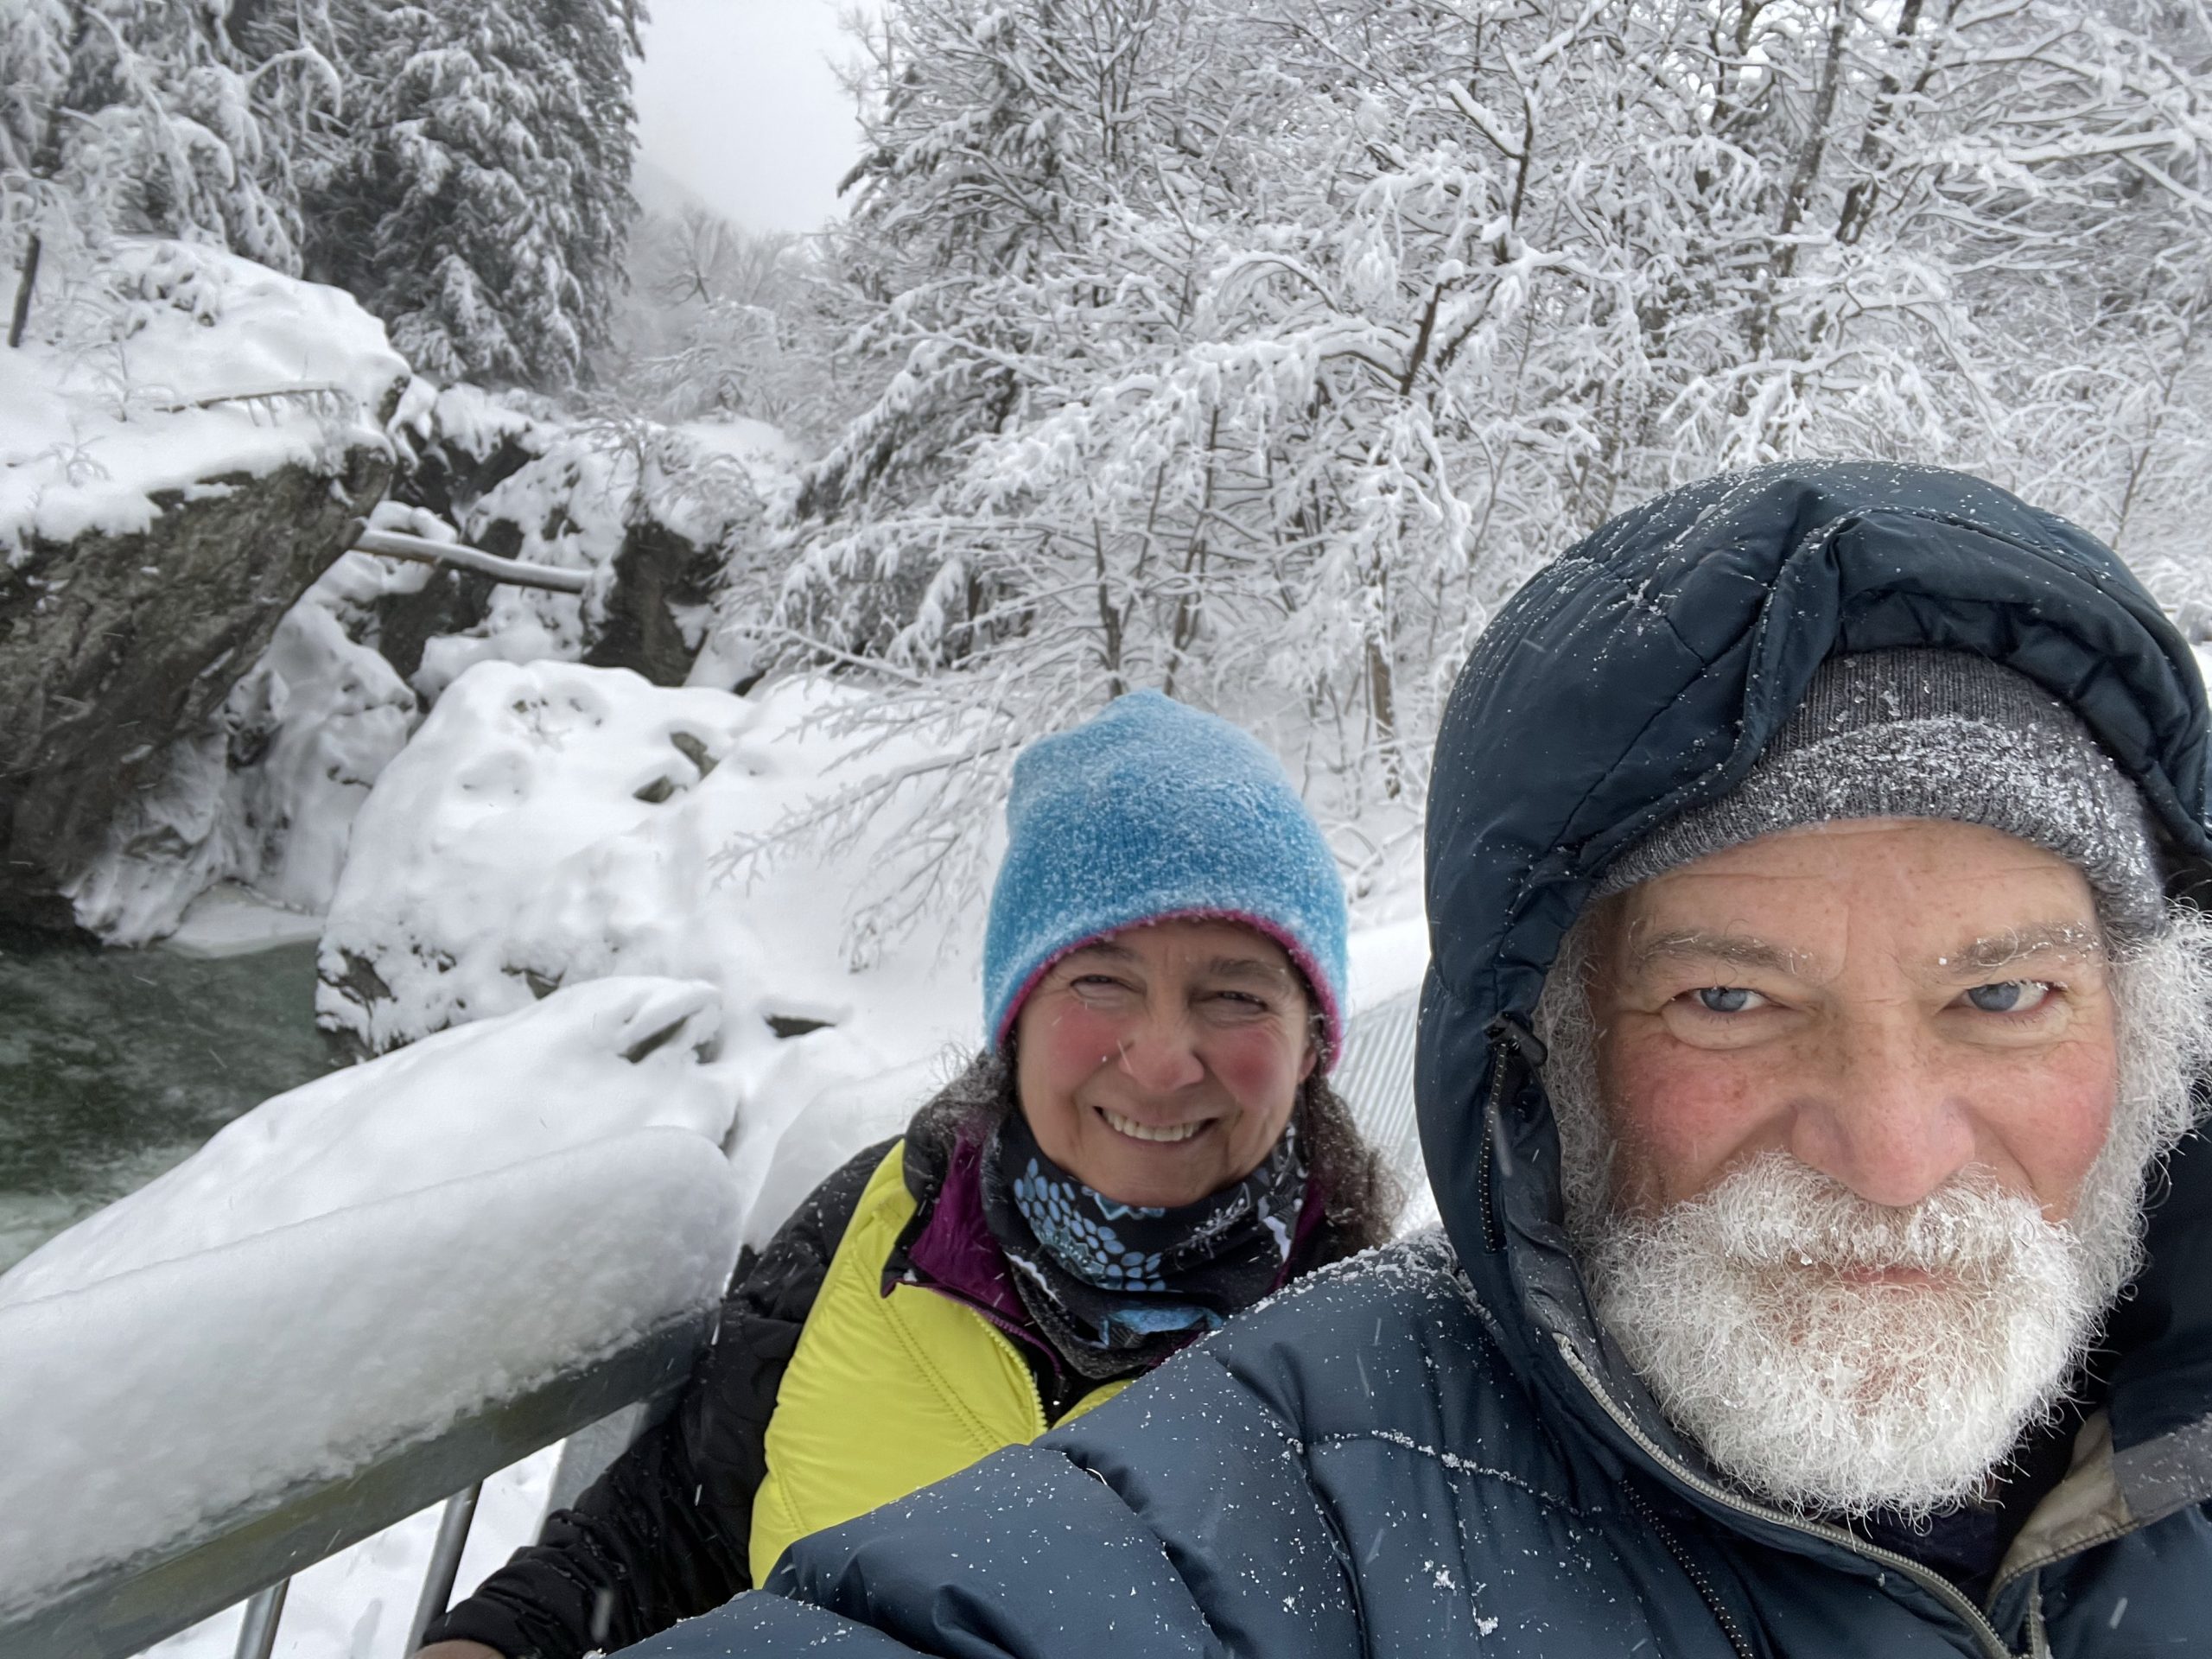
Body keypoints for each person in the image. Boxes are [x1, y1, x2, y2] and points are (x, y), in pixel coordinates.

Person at [615, 461, 2212, 1657]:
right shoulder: (1322, 1439)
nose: (1896, 1153)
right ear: (1552, 1064)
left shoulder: (1328, 1256)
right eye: (1729, 999)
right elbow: (692, 1523)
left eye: (2007, 994)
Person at [416, 690, 1397, 1659]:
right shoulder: (883, 1216)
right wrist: (502, 1639)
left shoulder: (1373, 1369)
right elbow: (684, 1523)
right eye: (1101, 981)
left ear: (1311, 1042)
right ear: (1016, 1019)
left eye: (1235, 995)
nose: (1161, 1060)